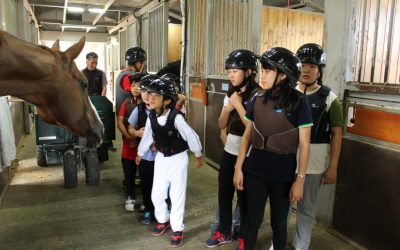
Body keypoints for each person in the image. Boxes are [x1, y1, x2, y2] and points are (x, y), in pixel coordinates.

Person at [233, 47, 313, 250]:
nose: (263, 75)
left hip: (283, 175)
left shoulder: (299, 102)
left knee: (279, 224)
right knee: (252, 220)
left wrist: (300, 180)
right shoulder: (257, 98)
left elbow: (304, 145)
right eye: (263, 70)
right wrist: (238, 167)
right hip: (255, 171)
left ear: (283, 75)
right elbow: (247, 136)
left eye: (268, 71)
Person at [136, 78, 204, 248]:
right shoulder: (151, 115)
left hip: (178, 160)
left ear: (167, 100)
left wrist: (197, 153)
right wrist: (140, 152)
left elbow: (191, 135)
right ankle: (163, 220)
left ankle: (177, 229)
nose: (150, 98)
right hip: (161, 159)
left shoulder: (176, 118)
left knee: (176, 196)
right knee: (156, 194)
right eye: (149, 94)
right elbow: (147, 136)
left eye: (156, 96)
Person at [291, 43, 344, 250]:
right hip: (287, 159)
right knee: (282, 206)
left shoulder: (330, 99)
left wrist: (333, 166)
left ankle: (301, 245)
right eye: (303, 65)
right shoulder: (287, 93)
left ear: (319, 70)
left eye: (312, 66)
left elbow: (337, 134)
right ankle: (277, 243)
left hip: (314, 164)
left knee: (306, 209)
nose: (306, 70)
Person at [205, 49, 259, 250]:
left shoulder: (258, 94)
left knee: (245, 198)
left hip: (249, 153)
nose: (231, 75)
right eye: (229, 72)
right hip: (230, 150)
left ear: (249, 72)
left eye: (235, 71)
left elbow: (254, 128)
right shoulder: (232, 94)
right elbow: (220, 124)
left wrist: (237, 105)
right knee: (224, 194)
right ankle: (225, 231)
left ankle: (244, 236)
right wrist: (228, 108)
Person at [128, 74, 160, 224]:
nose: (147, 96)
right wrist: (136, 133)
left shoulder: (164, 111)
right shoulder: (138, 110)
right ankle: (148, 209)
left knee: (161, 184)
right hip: (145, 157)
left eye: (151, 92)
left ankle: (161, 210)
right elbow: (130, 128)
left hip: (162, 157)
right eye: (144, 92)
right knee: (146, 184)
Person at [117, 72, 145, 212]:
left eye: (139, 86)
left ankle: (147, 199)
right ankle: (130, 195)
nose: (135, 88)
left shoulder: (149, 104)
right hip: (129, 144)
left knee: (146, 173)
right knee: (129, 172)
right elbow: (120, 121)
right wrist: (129, 136)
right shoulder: (126, 103)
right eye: (133, 85)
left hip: (145, 146)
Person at [115, 47, 147, 115]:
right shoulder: (128, 77)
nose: (144, 65)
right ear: (137, 63)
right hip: (127, 118)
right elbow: (139, 92)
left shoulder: (124, 73)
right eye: (142, 62)